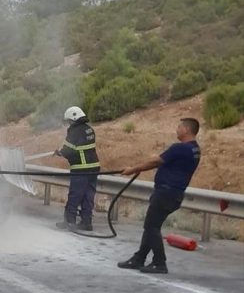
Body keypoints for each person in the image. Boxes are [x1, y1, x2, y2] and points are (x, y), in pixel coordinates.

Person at [117, 118, 201, 274]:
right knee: (152, 226)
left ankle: (159, 262)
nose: (177, 129)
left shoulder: (180, 148)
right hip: (174, 193)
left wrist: (132, 169)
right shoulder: (195, 149)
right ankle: (139, 258)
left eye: (179, 126)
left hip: (166, 192)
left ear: (186, 129)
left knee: (151, 226)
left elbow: (156, 161)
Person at [54, 106, 100, 231]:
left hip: (81, 169)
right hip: (94, 168)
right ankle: (86, 222)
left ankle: (70, 222)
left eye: (69, 121)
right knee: (88, 196)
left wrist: (59, 153)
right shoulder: (89, 129)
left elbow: (68, 149)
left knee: (75, 195)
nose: (69, 123)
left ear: (73, 118)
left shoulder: (75, 131)